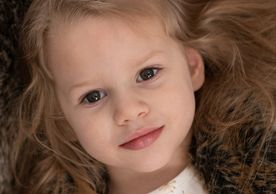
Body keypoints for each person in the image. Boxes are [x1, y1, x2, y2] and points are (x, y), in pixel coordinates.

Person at [13, 0, 276, 194]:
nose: (127, 111)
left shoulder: (262, 162)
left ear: (192, 67)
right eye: (92, 96)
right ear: (61, 118)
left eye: (148, 73)